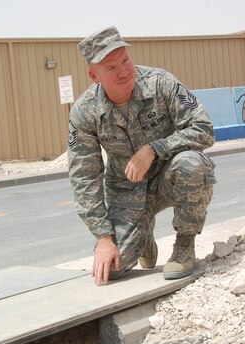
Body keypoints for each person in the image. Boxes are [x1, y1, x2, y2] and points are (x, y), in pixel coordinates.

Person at [68, 26, 216, 285]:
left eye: (125, 60)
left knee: (192, 165)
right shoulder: (85, 112)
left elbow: (203, 130)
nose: (124, 71)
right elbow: (84, 177)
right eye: (111, 68)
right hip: (127, 191)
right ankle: (143, 235)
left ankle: (184, 246)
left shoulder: (161, 83)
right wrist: (103, 237)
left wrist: (154, 149)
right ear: (94, 76)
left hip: (170, 177)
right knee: (111, 270)